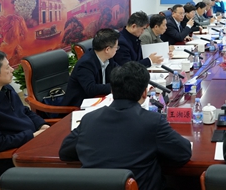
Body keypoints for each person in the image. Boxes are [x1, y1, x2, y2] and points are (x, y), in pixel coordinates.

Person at [59, 62, 191, 190]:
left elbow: (65, 153)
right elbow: (183, 153)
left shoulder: (89, 119)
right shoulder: (153, 121)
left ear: (112, 90)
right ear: (144, 93)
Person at [0, 50, 49, 166]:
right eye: (7, 67)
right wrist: (32, 135)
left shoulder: (6, 88)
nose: (12, 69)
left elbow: (24, 111)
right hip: (13, 156)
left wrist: (42, 125)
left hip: (32, 141)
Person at [63, 28, 119, 107]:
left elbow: (120, 72)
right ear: (107, 49)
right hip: (79, 106)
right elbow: (91, 89)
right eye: (116, 47)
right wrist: (116, 87)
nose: (117, 50)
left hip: (100, 100)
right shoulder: (85, 64)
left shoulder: (108, 58)